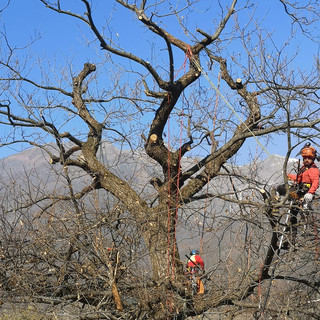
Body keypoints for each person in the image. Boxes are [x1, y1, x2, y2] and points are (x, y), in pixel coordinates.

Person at [274, 144, 319, 249]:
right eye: (305, 158)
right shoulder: (304, 169)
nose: (307, 159)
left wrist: (310, 193)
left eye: (309, 158)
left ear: (312, 158)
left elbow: (315, 183)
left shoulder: (314, 171)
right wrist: (288, 175)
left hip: (304, 195)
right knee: (292, 218)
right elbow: (298, 179)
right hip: (298, 192)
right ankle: (291, 241)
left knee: (296, 217)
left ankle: (293, 240)